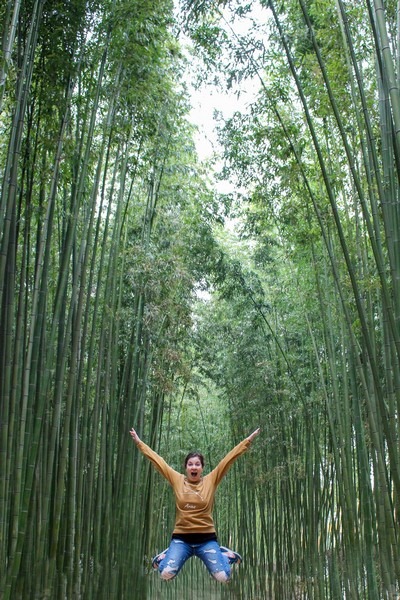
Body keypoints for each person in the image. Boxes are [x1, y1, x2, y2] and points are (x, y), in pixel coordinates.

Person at [129, 425, 260, 583]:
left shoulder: (211, 480)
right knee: (165, 573)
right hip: (181, 539)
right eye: (190, 464)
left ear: (202, 468)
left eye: (197, 464)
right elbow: (158, 461)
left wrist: (248, 441)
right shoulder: (177, 480)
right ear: (185, 467)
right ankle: (165, 556)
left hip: (206, 540)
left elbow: (228, 459)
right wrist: (139, 442)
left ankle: (224, 556)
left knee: (223, 577)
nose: (194, 467)